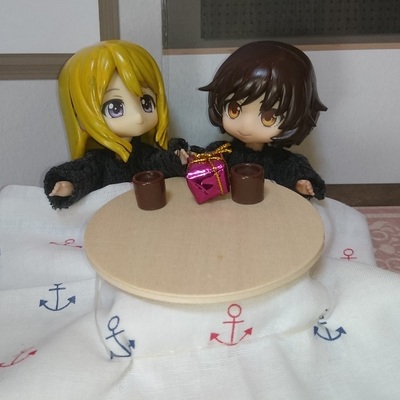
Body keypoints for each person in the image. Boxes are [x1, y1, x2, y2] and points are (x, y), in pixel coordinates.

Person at [44, 40, 187, 209]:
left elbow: (156, 161)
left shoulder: (141, 153)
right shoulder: (100, 160)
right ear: (80, 115)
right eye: (115, 107)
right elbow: (86, 173)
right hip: (111, 215)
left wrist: (176, 158)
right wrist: (69, 184)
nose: (138, 116)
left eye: (146, 102)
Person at [191, 41, 327, 199]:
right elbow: (204, 160)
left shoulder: (279, 161)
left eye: (268, 118)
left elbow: (294, 170)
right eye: (234, 110)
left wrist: (300, 184)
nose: (246, 125)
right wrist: (190, 158)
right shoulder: (224, 151)